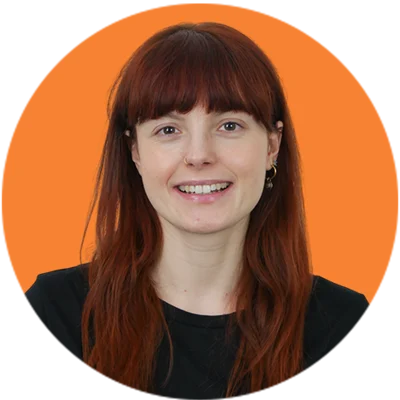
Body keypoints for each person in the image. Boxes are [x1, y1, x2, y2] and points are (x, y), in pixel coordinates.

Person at [23, 22, 370, 399]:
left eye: (229, 125)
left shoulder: (342, 323)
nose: (199, 155)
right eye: (168, 130)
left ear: (272, 145)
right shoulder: (55, 313)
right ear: (135, 151)